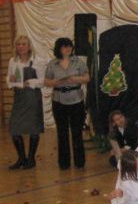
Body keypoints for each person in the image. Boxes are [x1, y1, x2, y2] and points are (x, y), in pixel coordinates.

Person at [44, 37, 90, 170]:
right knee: (62, 132)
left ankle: (79, 162)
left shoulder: (78, 61)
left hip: (76, 99)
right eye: (65, 46)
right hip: (59, 100)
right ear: (59, 48)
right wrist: (56, 82)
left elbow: (87, 78)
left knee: (77, 132)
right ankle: (64, 163)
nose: (68, 48)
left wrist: (75, 79)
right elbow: (46, 81)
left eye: (70, 46)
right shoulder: (53, 63)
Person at [6, 35, 46, 170]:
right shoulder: (13, 61)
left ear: (29, 46)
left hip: (32, 97)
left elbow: (43, 81)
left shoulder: (37, 61)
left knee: (33, 128)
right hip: (19, 97)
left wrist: (30, 82)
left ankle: (31, 159)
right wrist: (11, 80)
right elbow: (9, 78)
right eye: (18, 44)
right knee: (14, 129)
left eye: (23, 44)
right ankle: (21, 158)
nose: (21, 47)